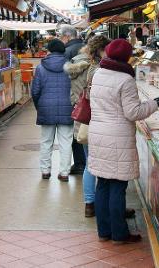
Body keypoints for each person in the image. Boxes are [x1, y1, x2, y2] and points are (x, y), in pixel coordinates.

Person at [88, 39, 159, 244]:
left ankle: (104, 232)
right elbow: (133, 112)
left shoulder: (99, 73)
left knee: (103, 183)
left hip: (98, 133)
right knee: (118, 186)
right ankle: (120, 234)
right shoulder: (125, 79)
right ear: (126, 57)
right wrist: (154, 104)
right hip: (118, 136)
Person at [64, 35, 111, 217]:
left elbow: (75, 96)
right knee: (102, 165)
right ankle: (104, 204)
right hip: (98, 120)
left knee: (89, 164)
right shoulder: (96, 68)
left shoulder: (76, 64)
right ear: (100, 50)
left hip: (83, 121)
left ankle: (89, 204)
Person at [31, 39, 73, 182]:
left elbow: (35, 91)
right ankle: (64, 172)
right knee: (66, 142)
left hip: (46, 108)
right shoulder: (71, 66)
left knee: (46, 141)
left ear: (49, 50)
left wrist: (39, 106)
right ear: (63, 51)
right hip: (67, 107)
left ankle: (45, 171)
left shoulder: (41, 68)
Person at [59, 25, 86, 175]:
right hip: (90, 94)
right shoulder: (87, 48)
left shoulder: (67, 52)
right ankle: (88, 161)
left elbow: (66, 78)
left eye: (61, 37)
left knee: (77, 131)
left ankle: (80, 163)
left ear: (67, 37)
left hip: (75, 96)